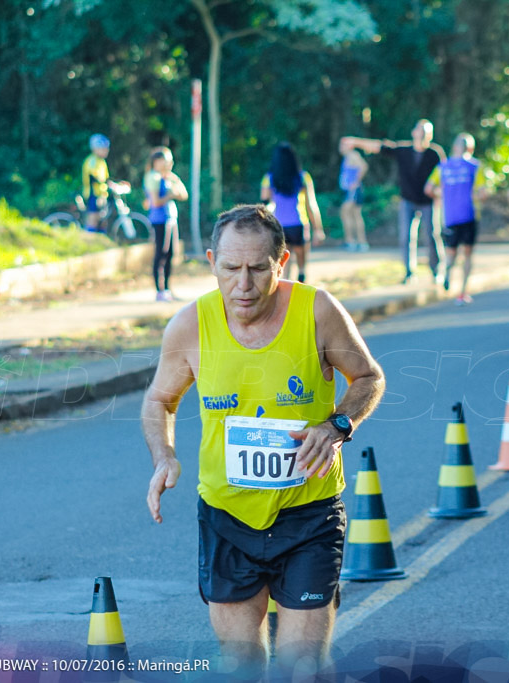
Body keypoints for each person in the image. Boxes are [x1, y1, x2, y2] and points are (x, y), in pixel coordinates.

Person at [141, 204, 385, 679]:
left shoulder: (317, 311)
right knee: (241, 665)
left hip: (309, 514)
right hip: (228, 515)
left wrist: (337, 426)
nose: (243, 285)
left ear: (283, 262)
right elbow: (159, 401)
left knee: (302, 664)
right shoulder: (190, 324)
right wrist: (163, 455)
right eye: (230, 269)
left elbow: (368, 378)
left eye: (257, 268)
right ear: (212, 261)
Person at [342, 120, 446, 284]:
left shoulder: (435, 153)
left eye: (426, 131)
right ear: (413, 133)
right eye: (419, 129)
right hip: (408, 200)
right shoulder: (403, 150)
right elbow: (379, 147)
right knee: (406, 237)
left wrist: (440, 195)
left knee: (431, 235)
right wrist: (356, 142)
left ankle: (437, 271)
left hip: (428, 201)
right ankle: (409, 273)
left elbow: (443, 176)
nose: (422, 133)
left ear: (430, 135)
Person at [426, 133, 485, 304]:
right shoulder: (475, 166)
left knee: (451, 253)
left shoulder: (443, 167)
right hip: (469, 215)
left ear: (454, 147)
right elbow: (483, 193)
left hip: (450, 216)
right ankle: (462, 291)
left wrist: (444, 194)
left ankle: (446, 275)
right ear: (471, 148)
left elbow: (429, 189)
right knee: (467, 254)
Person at [260, 142, 325, 283]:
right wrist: (318, 229)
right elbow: (311, 205)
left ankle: (286, 294)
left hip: (279, 226)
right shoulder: (302, 177)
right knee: (302, 266)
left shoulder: (269, 178)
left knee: (284, 265)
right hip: (298, 224)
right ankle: (301, 288)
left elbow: (265, 204)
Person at [144, 147, 189, 301]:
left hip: (170, 219)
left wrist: (174, 179)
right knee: (160, 253)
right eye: (166, 160)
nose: (170, 163)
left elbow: (183, 194)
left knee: (170, 254)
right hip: (159, 220)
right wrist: (170, 195)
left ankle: (167, 289)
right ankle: (159, 290)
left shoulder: (167, 177)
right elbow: (155, 202)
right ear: (157, 161)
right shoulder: (153, 178)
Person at [82, 134, 124, 233]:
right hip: (94, 194)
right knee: (93, 219)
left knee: (103, 220)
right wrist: (110, 184)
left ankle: (99, 241)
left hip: (102, 194)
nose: (106, 151)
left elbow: (106, 178)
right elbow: (94, 178)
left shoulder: (102, 162)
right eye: (103, 148)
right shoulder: (92, 161)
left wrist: (115, 183)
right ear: (95, 149)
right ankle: (89, 241)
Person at [338, 138, 369, 252]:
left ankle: (353, 241)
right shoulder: (347, 157)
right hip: (350, 190)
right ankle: (359, 242)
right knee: (355, 214)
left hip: (353, 190)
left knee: (346, 212)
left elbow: (364, 166)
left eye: (343, 145)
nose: (341, 147)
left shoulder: (353, 155)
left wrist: (355, 182)